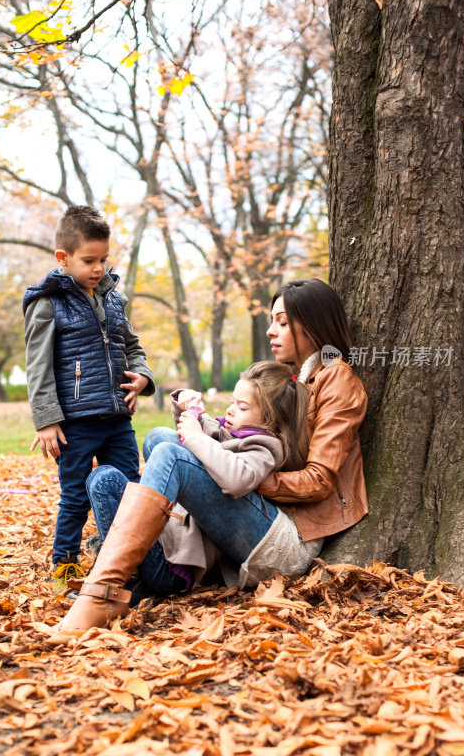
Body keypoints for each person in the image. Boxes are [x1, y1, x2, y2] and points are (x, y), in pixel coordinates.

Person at [55, 278, 368, 633]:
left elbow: (320, 480)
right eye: (271, 320)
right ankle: (147, 563)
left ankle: (102, 593)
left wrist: (241, 477)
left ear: (312, 324)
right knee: (160, 438)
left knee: (174, 456)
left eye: (282, 322)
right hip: (265, 516)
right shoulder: (297, 377)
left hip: (291, 536)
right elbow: (244, 435)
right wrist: (202, 425)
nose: (270, 331)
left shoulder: (336, 379)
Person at [57, 361, 311, 631]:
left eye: (242, 407)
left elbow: (237, 477)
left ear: (269, 420)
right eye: (233, 401)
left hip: (175, 566)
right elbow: (212, 435)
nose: (230, 409)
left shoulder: (266, 446)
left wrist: (195, 437)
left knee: (169, 452)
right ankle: (128, 575)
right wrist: (186, 407)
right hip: (164, 545)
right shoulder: (232, 430)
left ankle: (104, 589)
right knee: (108, 473)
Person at [23, 205, 154, 593]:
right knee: (76, 495)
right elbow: (38, 366)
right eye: (89, 260)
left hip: (117, 419)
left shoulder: (114, 298)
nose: (98, 268)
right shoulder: (47, 303)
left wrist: (143, 376)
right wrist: (46, 419)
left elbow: (133, 347)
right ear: (63, 259)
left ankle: (126, 557)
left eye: (104, 259)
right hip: (75, 424)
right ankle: (64, 561)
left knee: (131, 490)